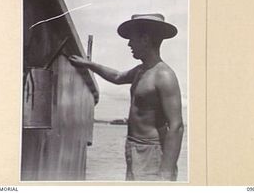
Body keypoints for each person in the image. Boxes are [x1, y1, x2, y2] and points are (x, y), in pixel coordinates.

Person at [69, 13, 184, 181]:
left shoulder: (164, 75)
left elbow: (177, 126)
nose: (129, 44)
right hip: (133, 148)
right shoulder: (141, 70)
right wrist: (88, 64)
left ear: (145, 39)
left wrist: (166, 173)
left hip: (151, 151)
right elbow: (117, 77)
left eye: (132, 39)